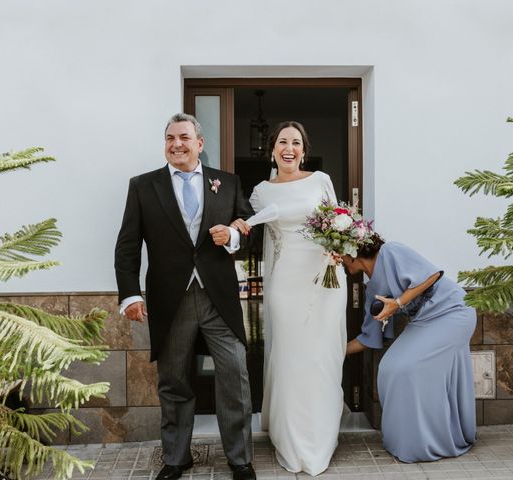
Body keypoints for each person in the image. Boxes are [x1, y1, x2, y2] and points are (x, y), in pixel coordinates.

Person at [114, 113, 255, 480]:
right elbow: (127, 245)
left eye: (184, 137)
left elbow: (247, 224)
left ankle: (240, 460)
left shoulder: (227, 183)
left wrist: (234, 237)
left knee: (235, 373)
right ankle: (176, 458)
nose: (177, 143)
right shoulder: (144, 186)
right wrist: (130, 295)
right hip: (169, 298)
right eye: (170, 137)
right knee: (174, 379)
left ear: (199, 144)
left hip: (218, 298)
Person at [231, 121, 347, 476]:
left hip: (325, 280)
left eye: (296, 142)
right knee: (291, 358)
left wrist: (341, 247)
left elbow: (339, 220)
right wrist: (235, 228)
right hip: (285, 283)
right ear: (272, 149)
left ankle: (321, 435)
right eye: (283, 141)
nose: (289, 148)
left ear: (304, 150)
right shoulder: (261, 192)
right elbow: (245, 226)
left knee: (321, 357)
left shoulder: (320, 180)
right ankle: (291, 437)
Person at [342, 236, 477, 463]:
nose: (340, 262)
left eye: (340, 255)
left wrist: (397, 303)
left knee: (407, 368)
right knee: (389, 368)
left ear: (351, 252)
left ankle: (433, 440)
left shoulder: (391, 252)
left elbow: (433, 275)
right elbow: (368, 338)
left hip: (453, 312)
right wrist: (335, 351)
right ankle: (405, 439)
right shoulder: (371, 290)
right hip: (424, 322)